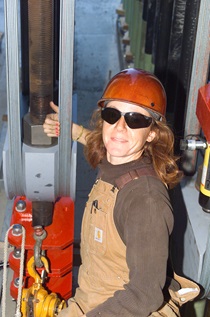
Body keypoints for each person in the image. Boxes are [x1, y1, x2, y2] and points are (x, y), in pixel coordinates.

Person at [43, 68, 199, 317]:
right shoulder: (118, 160)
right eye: (112, 114)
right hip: (93, 296)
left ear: (152, 134)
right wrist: (74, 132)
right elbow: (103, 141)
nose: (119, 128)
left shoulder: (145, 201)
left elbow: (144, 295)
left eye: (135, 119)